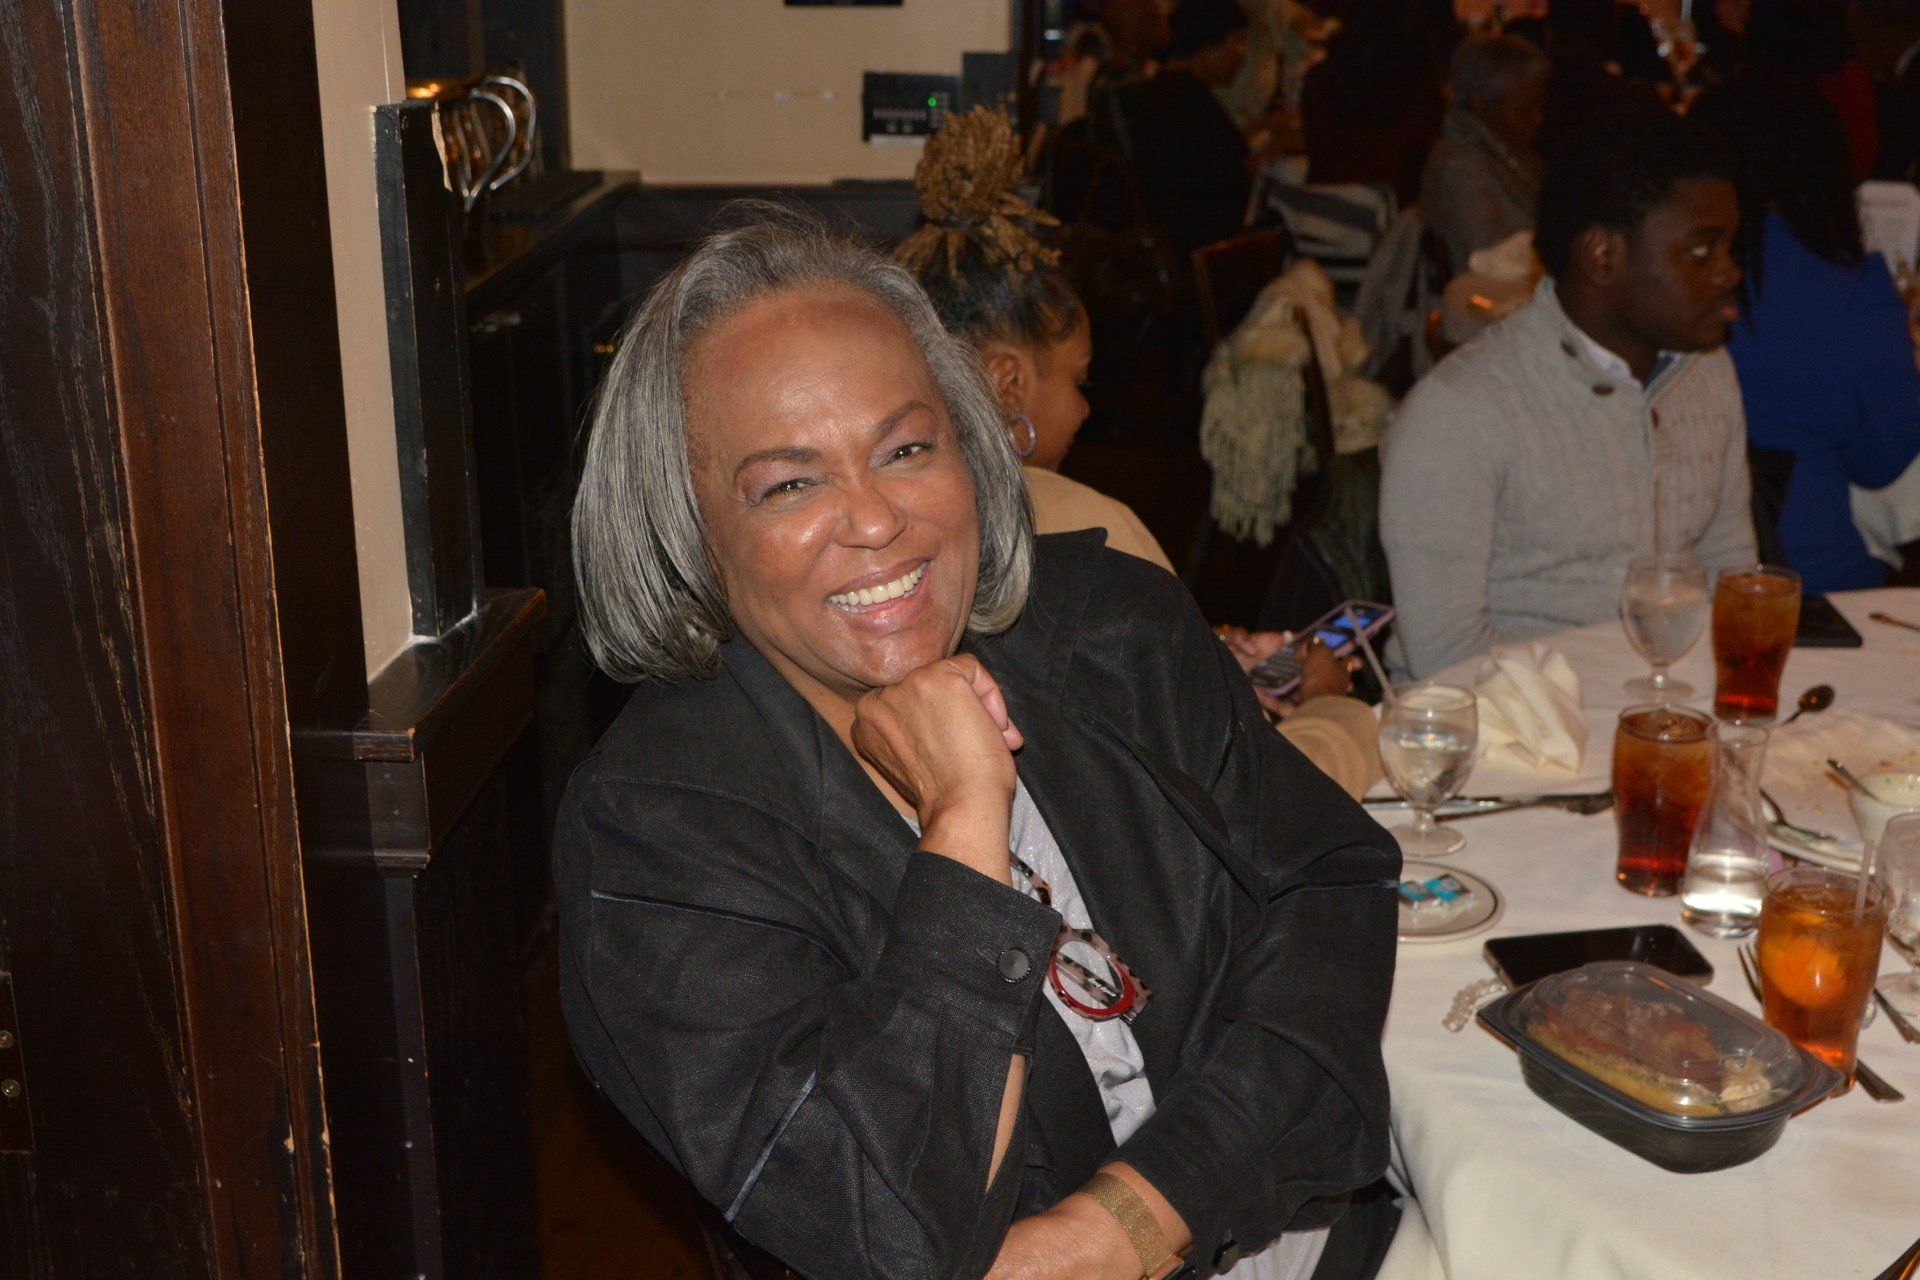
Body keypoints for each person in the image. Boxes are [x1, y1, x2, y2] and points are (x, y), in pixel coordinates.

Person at [558, 209, 1400, 1280]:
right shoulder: (656, 834)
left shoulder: (1115, 627)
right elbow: (897, 1226)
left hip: (1288, 1239)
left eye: (906, 449)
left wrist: (1126, 1224)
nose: (876, 520)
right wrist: (964, 817)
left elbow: (1330, 885)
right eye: (790, 483)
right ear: (689, 532)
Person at [898, 106, 1384, 798]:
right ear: (1008, 383)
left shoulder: (893, 521)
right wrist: (1332, 708)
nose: (1086, 409)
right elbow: (1241, 799)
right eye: (1079, 379)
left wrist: (1200, 658)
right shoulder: (1087, 529)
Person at [1379, 109, 1758, 678]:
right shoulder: (1460, 412)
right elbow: (1447, 653)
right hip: (1501, 714)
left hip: (1664, 696)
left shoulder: (1707, 374)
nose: (1729, 273)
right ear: (1603, 256)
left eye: (1730, 247)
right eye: (1701, 251)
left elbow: (1730, 570)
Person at [1695, 77, 1920, 594]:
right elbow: (1882, 461)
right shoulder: (1849, 290)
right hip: (1808, 582)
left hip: (1673, 576)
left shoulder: (1662, 286)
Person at [1119, 0, 1257, 251]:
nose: (1242, 55)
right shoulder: (1190, 98)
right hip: (1201, 240)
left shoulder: (1164, 87)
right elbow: (1237, 169)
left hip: (1169, 230)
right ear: (1207, 45)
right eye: (1236, 42)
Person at [1420, 33, 1550, 273]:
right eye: (1524, 110)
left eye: (1539, 106)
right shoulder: (1460, 167)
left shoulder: (1512, 154)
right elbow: (1492, 255)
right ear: (1482, 105)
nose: (1537, 118)